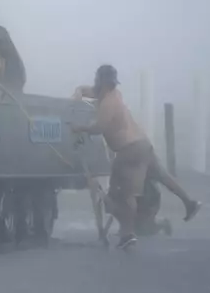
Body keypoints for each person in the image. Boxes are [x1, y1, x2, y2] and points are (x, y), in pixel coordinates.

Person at [72, 65, 201, 248]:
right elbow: (88, 91)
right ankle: (190, 203)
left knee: (126, 193)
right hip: (143, 144)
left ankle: (128, 233)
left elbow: (99, 127)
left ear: (100, 80)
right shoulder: (114, 94)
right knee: (163, 176)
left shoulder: (108, 102)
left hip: (129, 150)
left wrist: (80, 128)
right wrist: (78, 92)